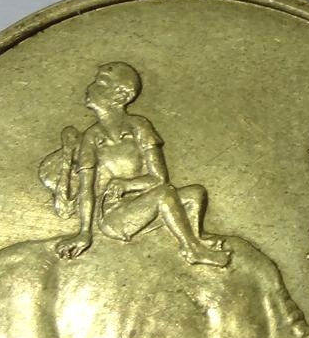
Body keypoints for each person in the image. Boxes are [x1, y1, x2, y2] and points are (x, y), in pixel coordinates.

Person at [40, 62, 230, 267]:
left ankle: (196, 237)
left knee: (195, 192)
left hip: (146, 201)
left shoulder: (139, 126)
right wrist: (84, 233)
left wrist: (127, 185)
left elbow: (159, 179)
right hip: (114, 217)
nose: (90, 87)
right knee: (165, 194)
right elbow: (87, 189)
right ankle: (191, 249)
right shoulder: (91, 138)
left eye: (100, 83)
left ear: (121, 96)